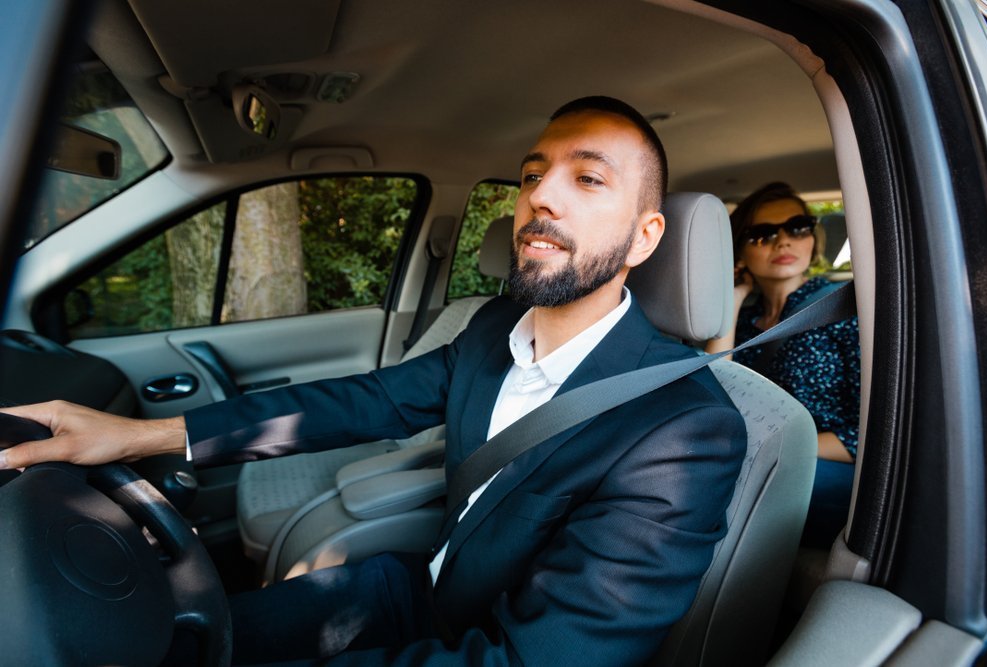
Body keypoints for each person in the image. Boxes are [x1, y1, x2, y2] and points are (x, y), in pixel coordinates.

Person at [0, 97, 747, 665]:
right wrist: (141, 433)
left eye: (586, 178)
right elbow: (365, 401)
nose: (541, 196)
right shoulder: (494, 328)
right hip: (417, 586)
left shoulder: (684, 429)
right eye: (531, 175)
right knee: (187, 639)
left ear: (645, 237)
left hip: (487, 640)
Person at [705, 181, 860, 549]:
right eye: (763, 234)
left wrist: (772, 448)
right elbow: (718, 397)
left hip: (824, 467)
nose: (783, 241)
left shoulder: (845, 309)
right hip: (751, 461)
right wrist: (733, 297)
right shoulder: (743, 320)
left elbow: (871, 431)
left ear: (813, 236)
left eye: (797, 227)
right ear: (738, 249)